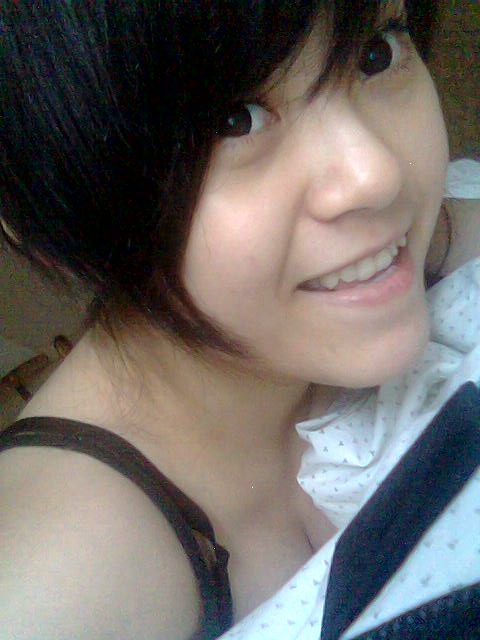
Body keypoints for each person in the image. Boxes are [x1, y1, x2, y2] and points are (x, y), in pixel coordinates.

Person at [0, 1, 479, 639]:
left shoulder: (425, 241)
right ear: (54, 222)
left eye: (376, 54)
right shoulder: (58, 585)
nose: (377, 174)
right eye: (236, 120)